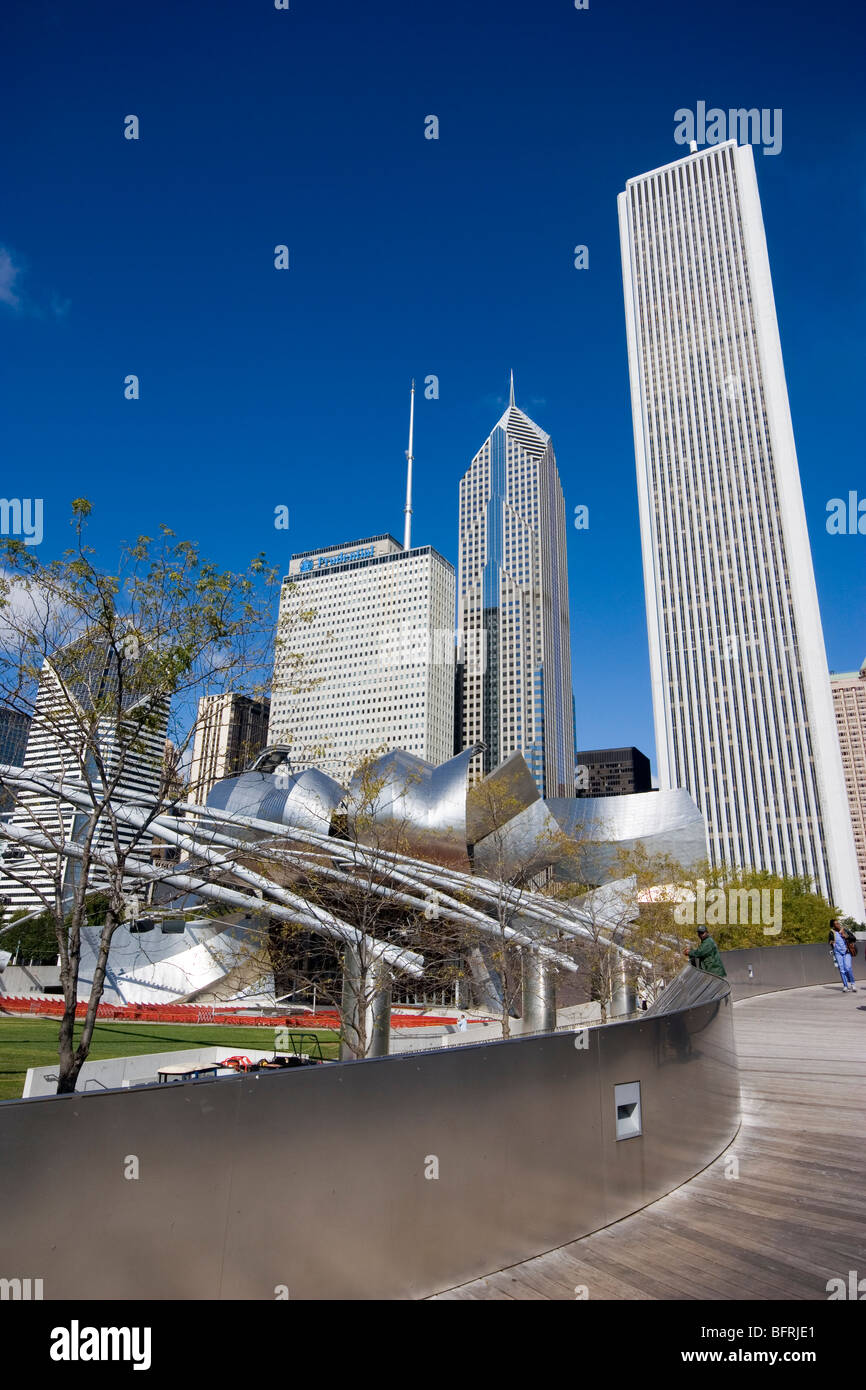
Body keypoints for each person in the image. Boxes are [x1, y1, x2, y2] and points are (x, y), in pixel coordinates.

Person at [829, 918, 857, 992]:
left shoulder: (844, 930)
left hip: (846, 952)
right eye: (836, 924)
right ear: (833, 926)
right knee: (842, 970)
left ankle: (853, 984)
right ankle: (845, 986)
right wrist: (832, 944)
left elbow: (854, 938)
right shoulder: (831, 932)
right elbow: (830, 941)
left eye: (838, 923)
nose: (838, 925)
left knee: (848, 968)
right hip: (838, 953)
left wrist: (845, 936)